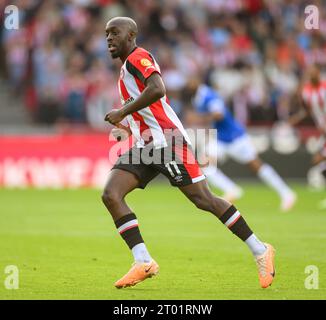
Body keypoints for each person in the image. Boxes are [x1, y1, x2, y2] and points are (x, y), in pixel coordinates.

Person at [103, 16, 275, 289]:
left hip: (168, 142)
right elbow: (148, 110)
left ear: (131, 35)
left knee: (204, 200)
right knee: (111, 194)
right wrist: (127, 124)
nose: (109, 38)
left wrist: (122, 111)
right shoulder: (125, 69)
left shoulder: (139, 57)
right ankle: (143, 261)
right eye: (106, 34)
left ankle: (260, 249)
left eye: (115, 32)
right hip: (146, 144)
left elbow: (158, 89)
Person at [187, 78, 297, 212]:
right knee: (205, 165)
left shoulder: (209, 95)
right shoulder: (197, 98)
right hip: (220, 139)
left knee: (256, 166)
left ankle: (287, 193)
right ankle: (232, 190)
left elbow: (219, 114)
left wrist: (199, 118)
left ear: (198, 82)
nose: (189, 83)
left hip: (235, 137)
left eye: (191, 81)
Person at [289, 64, 326, 206]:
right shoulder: (306, 91)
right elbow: (308, 111)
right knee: (317, 160)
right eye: (309, 72)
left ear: (319, 73)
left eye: (314, 72)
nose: (311, 75)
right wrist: (295, 119)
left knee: (318, 159)